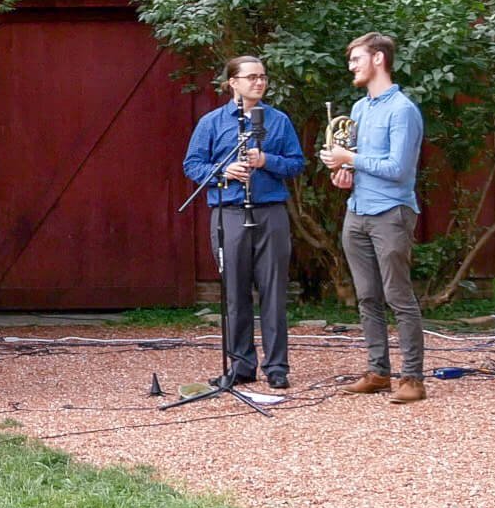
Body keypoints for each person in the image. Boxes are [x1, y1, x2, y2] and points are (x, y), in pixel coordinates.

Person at [182, 56, 306, 390]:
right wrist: (223, 171)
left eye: (263, 77)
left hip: (270, 211)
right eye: (251, 77)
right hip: (230, 211)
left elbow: (297, 163)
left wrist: (267, 160)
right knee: (235, 293)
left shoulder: (279, 121)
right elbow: (192, 165)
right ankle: (241, 364)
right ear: (232, 82)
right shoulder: (212, 122)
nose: (259, 82)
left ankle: (277, 366)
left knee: (274, 290)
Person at [318, 32, 428, 404]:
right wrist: (343, 174)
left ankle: (413, 378)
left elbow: (398, 168)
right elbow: (361, 164)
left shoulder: (403, 110)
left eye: (356, 60)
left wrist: (349, 159)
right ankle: (379, 372)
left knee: (399, 296)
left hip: (391, 213)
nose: (351, 67)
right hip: (357, 211)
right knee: (366, 297)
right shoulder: (361, 108)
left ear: (378, 59)